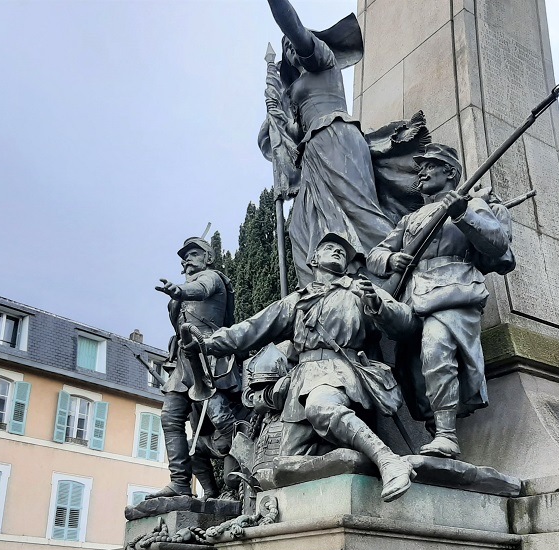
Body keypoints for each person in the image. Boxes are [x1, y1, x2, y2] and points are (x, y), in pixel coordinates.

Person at [200, 231, 418, 502]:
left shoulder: (359, 290)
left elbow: (407, 323)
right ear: (313, 259)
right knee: (286, 466)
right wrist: (208, 343)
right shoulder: (297, 301)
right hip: (301, 381)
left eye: (343, 251)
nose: (338, 251)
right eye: (329, 247)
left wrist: (376, 304)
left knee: (320, 407)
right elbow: (252, 328)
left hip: (341, 371)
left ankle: (388, 460)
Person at [367, 144, 514, 458]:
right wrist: (391, 259)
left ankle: (447, 435)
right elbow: (375, 253)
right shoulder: (411, 218)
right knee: (414, 370)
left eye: (429, 165)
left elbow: (497, 244)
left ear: (450, 172)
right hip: (413, 297)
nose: (421, 171)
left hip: (453, 290)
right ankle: (436, 430)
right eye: (421, 167)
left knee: (436, 347)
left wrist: (460, 213)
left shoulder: (473, 204)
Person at [262, 0, 396, 285]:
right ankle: (317, 290)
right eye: (286, 49)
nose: (290, 49)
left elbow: (292, 26)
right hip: (311, 151)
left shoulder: (323, 61)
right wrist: (276, 111)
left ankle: (396, 264)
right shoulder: (296, 89)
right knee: (301, 226)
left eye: (292, 44)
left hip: (336, 138)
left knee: (357, 208)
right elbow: (294, 133)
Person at [147, 237, 241, 499]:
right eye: (184, 256)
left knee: (222, 419)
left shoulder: (213, 278)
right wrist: (178, 295)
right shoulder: (183, 290)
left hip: (209, 355)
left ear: (209, 258)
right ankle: (179, 482)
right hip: (183, 361)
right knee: (170, 417)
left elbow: (200, 289)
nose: (187, 259)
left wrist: (179, 291)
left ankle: (241, 481)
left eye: (194, 254)